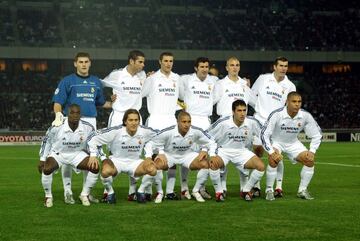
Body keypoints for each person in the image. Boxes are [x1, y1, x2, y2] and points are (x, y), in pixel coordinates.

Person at [52, 52, 112, 204]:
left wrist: (114, 104)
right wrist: (58, 115)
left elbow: (100, 102)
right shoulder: (67, 81)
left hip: (91, 123)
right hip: (71, 121)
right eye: (81, 62)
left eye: (86, 62)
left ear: (90, 63)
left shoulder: (96, 82)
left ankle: (87, 192)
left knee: (90, 156)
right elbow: (58, 102)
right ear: (75, 64)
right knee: (67, 155)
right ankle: (68, 191)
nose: (84, 64)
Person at [138, 111, 224, 203]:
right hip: (169, 155)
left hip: (187, 156)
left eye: (189, 122)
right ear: (177, 122)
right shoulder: (168, 131)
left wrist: (209, 152)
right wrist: (151, 156)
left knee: (207, 164)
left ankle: (195, 190)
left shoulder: (196, 131)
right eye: (184, 122)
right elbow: (150, 143)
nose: (187, 125)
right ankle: (141, 191)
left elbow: (211, 142)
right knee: (154, 166)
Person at [101, 50, 146, 201]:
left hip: (135, 116)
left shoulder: (143, 75)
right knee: (113, 152)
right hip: (119, 115)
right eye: (140, 62)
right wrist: (108, 98)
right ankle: (108, 190)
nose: (142, 65)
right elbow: (100, 83)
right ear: (131, 61)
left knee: (135, 151)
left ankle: (132, 191)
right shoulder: (117, 74)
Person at [86, 109, 158, 204]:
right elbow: (92, 137)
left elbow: (160, 136)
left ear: (139, 121)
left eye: (136, 120)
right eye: (130, 120)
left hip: (135, 163)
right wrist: (94, 155)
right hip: (116, 161)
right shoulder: (116, 131)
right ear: (125, 121)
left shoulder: (144, 131)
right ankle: (110, 193)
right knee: (105, 171)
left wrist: (156, 153)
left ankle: (140, 192)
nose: (134, 123)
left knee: (152, 169)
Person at [261, 91, 322, 200]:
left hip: (293, 143)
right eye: (294, 101)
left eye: (299, 101)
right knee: (273, 159)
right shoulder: (277, 114)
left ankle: (302, 190)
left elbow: (317, 134)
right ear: (286, 102)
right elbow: (264, 134)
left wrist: (312, 151)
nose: (297, 104)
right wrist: (271, 152)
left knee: (310, 161)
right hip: (276, 141)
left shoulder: (305, 116)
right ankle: (269, 190)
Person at [249, 56, 296, 197]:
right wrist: (259, 108)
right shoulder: (263, 79)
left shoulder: (290, 86)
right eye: (281, 65)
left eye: (286, 66)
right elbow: (251, 95)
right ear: (274, 67)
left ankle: (278, 187)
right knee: (257, 151)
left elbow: (289, 107)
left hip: (276, 124)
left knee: (276, 154)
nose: (283, 68)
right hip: (259, 121)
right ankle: (256, 186)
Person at [38, 104, 99, 207]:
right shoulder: (57, 126)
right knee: (47, 168)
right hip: (58, 154)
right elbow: (46, 141)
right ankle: (48, 196)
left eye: (77, 113)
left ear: (81, 115)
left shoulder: (88, 127)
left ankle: (84, 195)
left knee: (95, 167)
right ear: (67, 114)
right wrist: (42, 158)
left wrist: (93, 155)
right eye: (72, 113)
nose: (75, 115)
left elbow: (94, 141)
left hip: (77, 154)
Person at [177, 57, 220, 200]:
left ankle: (201, 188)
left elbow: (217, 96)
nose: (204, 69)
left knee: (205, 155)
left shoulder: (214, 81)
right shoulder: (185, 79)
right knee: (186, 153)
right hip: (191, 120)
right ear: (196, 68)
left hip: (206, 122)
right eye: (201, 66)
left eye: (206, 66)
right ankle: (184, 188)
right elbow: (176, 93)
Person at [140, 52, 180, 203]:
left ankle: (169, 191)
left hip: (171, 119)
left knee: (172, 157)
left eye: (171, 61)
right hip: (155, 120)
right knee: (152, 157)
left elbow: (183, 95)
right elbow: (140, 94)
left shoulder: (177, 78)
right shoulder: (152, 78)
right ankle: (151, 191)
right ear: (160, 62)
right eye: (166, 61)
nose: (168, 64)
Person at [206, 100, 265, 201]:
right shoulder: (223, 122)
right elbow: (207, 136)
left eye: (244, 110)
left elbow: (265, 134)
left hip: (242, 151)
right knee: (213, 164)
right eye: (239, 110)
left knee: (261, 166)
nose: (242, 113)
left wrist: (272, 149)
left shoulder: (252, 122)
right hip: (224, 151)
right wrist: (211, 154)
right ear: (233, 112)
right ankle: (219, 192)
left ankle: (246, 190)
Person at [213, 57, 252, 196]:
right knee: (222, 155)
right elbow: (211, 101)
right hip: (225, 124)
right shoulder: (220, 84)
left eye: (237, 65)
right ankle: (222, 185)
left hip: (242, 124)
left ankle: (244, 186)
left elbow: (254, 101)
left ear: (239, 67)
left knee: (244, 154)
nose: (235, 67)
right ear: (227, 67)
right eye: (232, 65)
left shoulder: (244, 84)